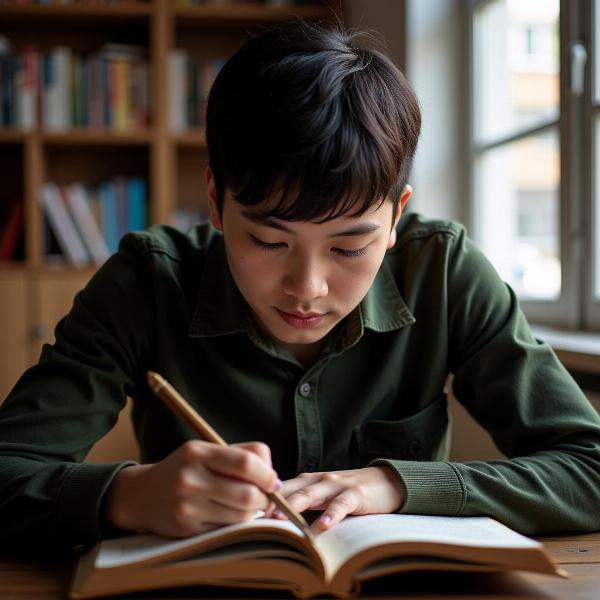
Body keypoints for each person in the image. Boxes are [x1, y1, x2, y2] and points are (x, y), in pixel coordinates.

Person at [1, 19, 599, 553]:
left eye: (348, 247)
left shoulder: (443, 271)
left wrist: (394, 483)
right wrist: (124, 496)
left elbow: (590, 469)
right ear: (215, 198)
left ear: (396, 217)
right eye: (268, 241)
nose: (307, 288)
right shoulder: (146, 282)